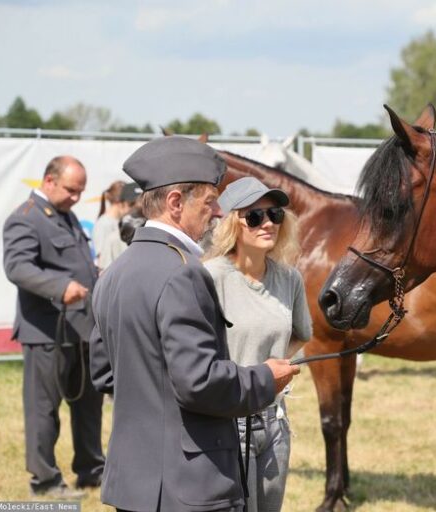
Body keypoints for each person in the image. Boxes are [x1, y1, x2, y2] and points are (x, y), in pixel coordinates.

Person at [89, 136, 300, 512]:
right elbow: (198, 382)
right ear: (175, 203)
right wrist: (266, 378)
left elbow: (106, 374)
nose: (218, 212)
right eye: (208, 201)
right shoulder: (183, 273)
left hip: (134, 484)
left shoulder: (114, 273)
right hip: (188, 485)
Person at [204, 177, 312, 512]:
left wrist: (276, 364)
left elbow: (301, 333)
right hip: (228, 421)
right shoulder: (210, 276)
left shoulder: (289, 278)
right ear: (231, 223)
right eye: (255, 216)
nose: (268, 223)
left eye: (275, 214)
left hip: (275, 419)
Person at [2, 155, 105, 499]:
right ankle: (44, 483)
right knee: (44, 411)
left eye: (81, 192)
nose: (77, 197)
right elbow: (17, 267)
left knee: (88, 406)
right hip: (47, 334)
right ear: (49, 181)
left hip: (81, 331)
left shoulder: (68, 216)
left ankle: (92, 472)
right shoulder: (26, 219)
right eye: (72, 190)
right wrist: (61, 288)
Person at [98, 182, 142, 268]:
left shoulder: (153, 234)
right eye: (132, 204)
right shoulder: (112, 237)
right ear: (121, 205)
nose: (136, 210)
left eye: (140, 205)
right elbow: (104, 270)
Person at [92, 180, 127, 269]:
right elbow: (102, 259)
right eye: (131, 204)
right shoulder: (104, 224)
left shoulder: (119, 221)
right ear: (121, 203)